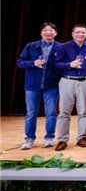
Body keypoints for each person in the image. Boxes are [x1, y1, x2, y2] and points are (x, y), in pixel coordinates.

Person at [17, 22, 62, 150]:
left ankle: (49, 138)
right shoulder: (31, 46)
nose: (48, 33)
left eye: (51, 30)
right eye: (45, 30)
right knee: (31, 113)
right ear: (41, 32)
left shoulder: (60, 47)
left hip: (52, 85)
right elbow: (20, 62)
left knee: (51, 112)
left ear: (55, 33)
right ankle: (29, 139)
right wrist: (33, 63)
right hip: (32, 85)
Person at [54, 24, 86, 151]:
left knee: (84, 111)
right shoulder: (64, 47)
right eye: (77, 32)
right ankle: (62, 139)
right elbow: (56, 64)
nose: (80, 34)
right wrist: (69, 64)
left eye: (83, 32)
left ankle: (82, 138)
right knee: (64, 112)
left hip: (85, 81)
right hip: (67, 81)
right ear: (72, 34)